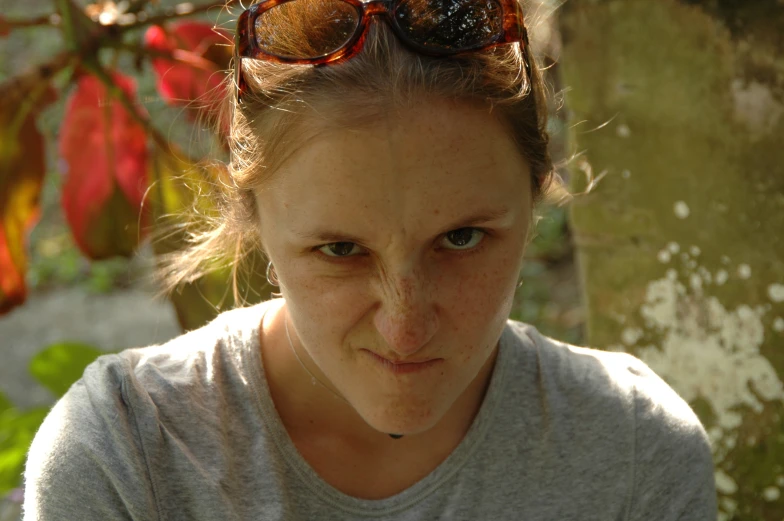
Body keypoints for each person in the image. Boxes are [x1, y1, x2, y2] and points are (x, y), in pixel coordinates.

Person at [22, 0, 718, 519]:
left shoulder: (633, 451)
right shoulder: (126, 460)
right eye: (341, 250)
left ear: (537, 192)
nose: (406, 326)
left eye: (461, 238)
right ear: (253, 215)